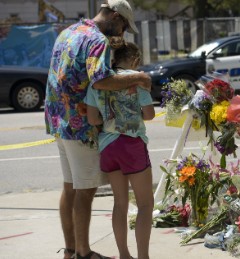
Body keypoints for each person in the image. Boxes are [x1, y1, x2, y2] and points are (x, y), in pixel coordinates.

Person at [44, 0, 151, 258]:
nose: (122, 32)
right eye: (123, 25)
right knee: (85, 189)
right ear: (114, 16)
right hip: (80, 126)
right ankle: (83, 252)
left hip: (58, 120)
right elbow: (101, 80)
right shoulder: (96, 40)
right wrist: (139, 77)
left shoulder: (69, 32)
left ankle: (71, 250)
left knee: (70, 186)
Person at [84, 42, 155, 259]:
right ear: (134, 60)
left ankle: (124, 255)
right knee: (145, 204)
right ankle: (143, 257)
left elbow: (93, 118)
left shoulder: (99, 81)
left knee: (120, 203)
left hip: (108, 146)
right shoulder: (137, 78)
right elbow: (150, 114)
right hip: (131, 143)